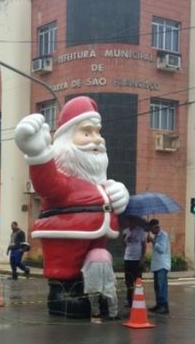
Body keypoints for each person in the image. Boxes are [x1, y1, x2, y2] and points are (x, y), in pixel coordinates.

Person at [15, 96, 130, 317]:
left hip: (97, 235)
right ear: (65, 140)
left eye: (98, 132)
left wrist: (120, 194)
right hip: (65, 233)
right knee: (66, 269)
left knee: (98, 260)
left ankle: (97, 294)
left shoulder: (99, 182)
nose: (96, 140)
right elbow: (47, 184)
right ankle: (62, 293)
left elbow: (108, 195)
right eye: (87, 133)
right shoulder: (63, 181)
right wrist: (38, 154)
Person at [81, 248, 119, 323]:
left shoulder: (89, 253)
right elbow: (111, 264)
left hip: (92, 266)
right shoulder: (106, 252)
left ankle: (96, 314)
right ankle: (113, 314)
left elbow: (84, 269)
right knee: (110, 289)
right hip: (106, 263)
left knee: (93, 290)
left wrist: (84, 282)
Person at [147, 219, 171, 314]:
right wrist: (152, 239)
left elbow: (162, 249)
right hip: (157, 265)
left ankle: (164, 307)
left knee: (162, 286)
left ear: (156, 227)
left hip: (162, 265)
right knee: (157, 287)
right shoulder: (157, 236)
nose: (151, 231)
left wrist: (153, 240)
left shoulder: (163, 235)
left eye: (151, 228)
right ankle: (158, 305)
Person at [122, 217, 147, 307]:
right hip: (128, 259)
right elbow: (125, 245)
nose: (130, 223)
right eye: (128, 222)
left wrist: (142, 258)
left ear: (135, 222)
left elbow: (144, 245)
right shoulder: (125, 231)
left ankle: (139, 300)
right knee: (128, 282)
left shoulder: (141, 231)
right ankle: (129, 301)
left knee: (138, 281)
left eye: (131, 221)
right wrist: (124, 239)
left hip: (137, 260)